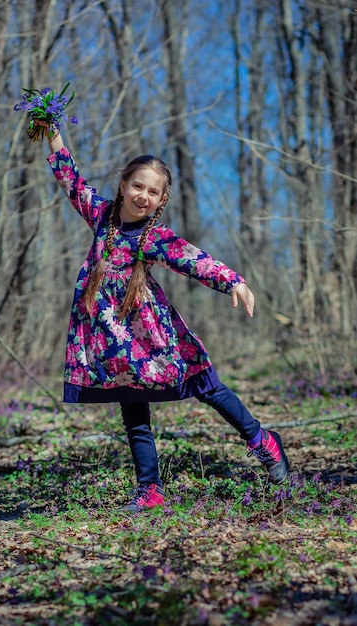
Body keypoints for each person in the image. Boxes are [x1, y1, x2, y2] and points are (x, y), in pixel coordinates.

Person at [36, 121, 289, 512]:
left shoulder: (154, 236)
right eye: (138, 186)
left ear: (161, 199)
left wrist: (232, 281)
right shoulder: (102, 217)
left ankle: (261, 440)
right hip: (112, 338)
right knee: (132, 406)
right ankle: (150, 490)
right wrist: (53, 133)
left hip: (152, 334)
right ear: (123, 185)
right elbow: (71, 179)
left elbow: (193, 259)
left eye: (153, 192)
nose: (143, 196)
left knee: (204, 382)